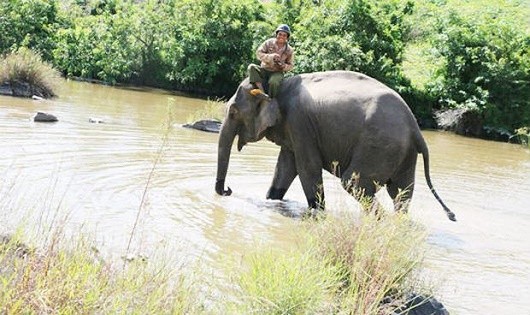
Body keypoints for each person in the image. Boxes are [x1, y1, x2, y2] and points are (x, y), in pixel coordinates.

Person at [248, 24, 294, 98]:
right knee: (251, 67)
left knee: (274, 82)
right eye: (280, 34)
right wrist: (271, 57)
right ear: (276, 34)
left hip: (277, 72)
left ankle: (270, 98)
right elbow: (258, 53)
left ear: (287, 37)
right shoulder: (268, 43)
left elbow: (291, 65)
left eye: (284, 35)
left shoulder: (289, 50)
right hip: (264, 69)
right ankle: (261, 91)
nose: (281, 36)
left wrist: (283, 66)